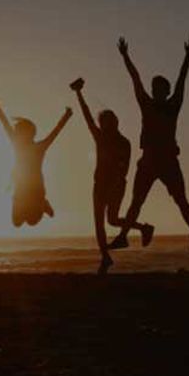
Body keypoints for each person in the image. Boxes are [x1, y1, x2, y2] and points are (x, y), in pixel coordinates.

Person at [112, 36, 189, 249]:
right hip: (148, 161)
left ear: (165, 92)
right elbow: (135, 79)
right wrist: (125, 56)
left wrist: (187, 57)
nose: (156, 91)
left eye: (160, 89)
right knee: (136, 202)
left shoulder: (173, 105)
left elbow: (181, 81)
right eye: (154, 88)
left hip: (168, 162)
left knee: (181, 200)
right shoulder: (146, 104)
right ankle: (123, 237)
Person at [71, 77, 147, 274]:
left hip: (115, 185)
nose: (105, 125)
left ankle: (142, 229)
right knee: (101, 222)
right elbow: (87, 116)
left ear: (115, 122)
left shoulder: (124, 142)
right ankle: (105, 257)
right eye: (103, 122)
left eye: (108, 121)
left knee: (111, 220)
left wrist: (115, 183)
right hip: (100, 184)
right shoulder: (100, 137)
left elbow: (124, 168)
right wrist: (78, 94)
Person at [0, 97, 72, 228]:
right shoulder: (16, 144)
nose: (16, 134)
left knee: (32, 221)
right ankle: (39, 205)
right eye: (16, 132)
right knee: (17, 223)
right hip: (20, 189)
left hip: (36, 190)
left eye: (18, 132)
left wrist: (66, 116)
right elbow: (5, 125)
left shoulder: (39, 147)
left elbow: (55, 132)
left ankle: (43, 204)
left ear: (30, 133)